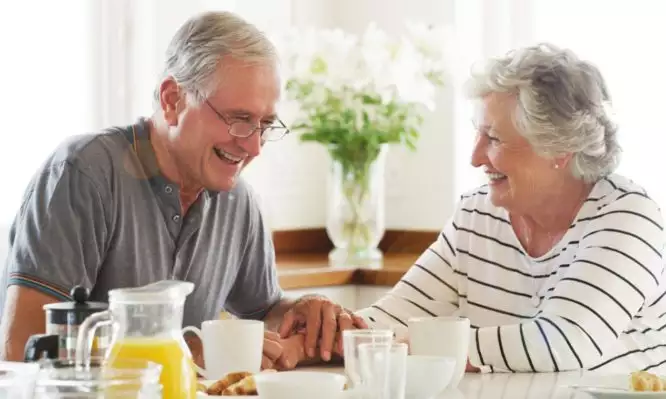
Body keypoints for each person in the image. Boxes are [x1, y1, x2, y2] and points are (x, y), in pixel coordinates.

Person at [0, 11, 365, 368]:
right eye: (239, 119)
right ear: (172, 100)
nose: (254, 147)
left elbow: (262, 312)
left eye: (264, 124)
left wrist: (301, 313)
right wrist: (179, 352)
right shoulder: (82, 174)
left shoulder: (239, 201)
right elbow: (23, 351)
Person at [347, 43, 666, 373]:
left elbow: (564, 342)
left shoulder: (628, 216)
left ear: (559, 149)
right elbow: (393, 316)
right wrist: (325, 337)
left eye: (494, 138)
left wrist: (420, 346)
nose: (475, 157)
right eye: (477, 134)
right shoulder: (477, 214)